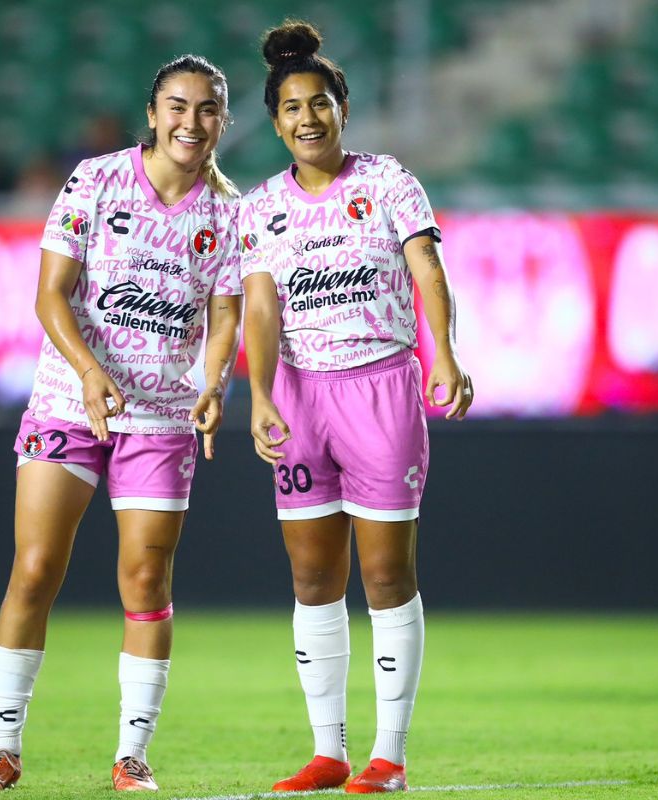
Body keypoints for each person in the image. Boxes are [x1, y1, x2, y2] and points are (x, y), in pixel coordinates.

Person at [0, 54, 242, 793]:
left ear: (223, 122)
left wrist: (214, 384)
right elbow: (51, 294)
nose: (191, 120)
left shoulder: (228, 214)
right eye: (177, 106)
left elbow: (223, 317)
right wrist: (88, 372)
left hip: (163, 415)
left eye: (207, 108)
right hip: (67, 397)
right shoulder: (96, 179)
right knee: (35, 569)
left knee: (146, 578)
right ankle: (3, 745)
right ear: (152, 114)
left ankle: (132, 756)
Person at [238, 21, 473, 794]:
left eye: (321, 104)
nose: (307, 118)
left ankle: (390, 755)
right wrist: (262, 395)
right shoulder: (261, 208)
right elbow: (262, 312)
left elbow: (427, 269)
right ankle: (329, 750)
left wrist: (443, 352)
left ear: (344, 110)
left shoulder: (388, 182)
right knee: (312, 580)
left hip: (380, 388)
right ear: (275, 122)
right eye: (292, 108)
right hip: (302, 399)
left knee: (384, 575)